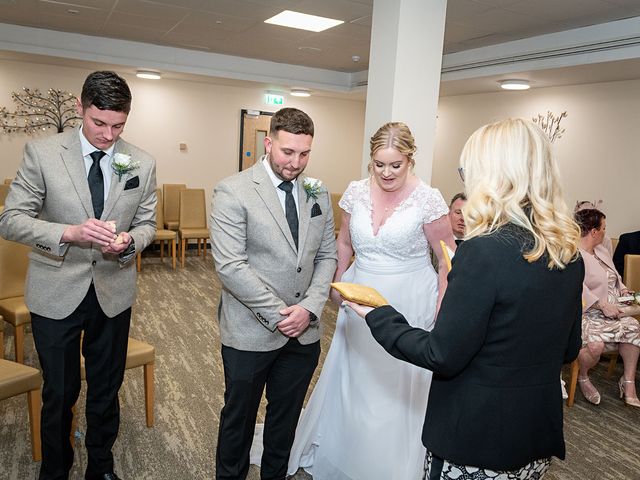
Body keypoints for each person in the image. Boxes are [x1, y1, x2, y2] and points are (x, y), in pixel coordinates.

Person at [346, 118, 585, 480]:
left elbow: (440, 355)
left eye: (467, 171)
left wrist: (380, 314)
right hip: (534, 432)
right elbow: (569, 349)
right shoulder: (567, 251)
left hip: (476, 436)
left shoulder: (484, 251)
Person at [0, 71, 157, 480]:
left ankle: (101, 467)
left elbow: (148, 225)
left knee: (106, 391)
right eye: (99, 123)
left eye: (118, 125)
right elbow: (11, 219)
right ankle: (56, 469)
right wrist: (67, 233)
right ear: (79, 108)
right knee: (60, 393)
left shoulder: (142, 160)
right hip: (56, 290)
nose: (108, 135)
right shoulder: (42, 153)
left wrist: (129, 242)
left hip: (113, 290)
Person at [287, 122, 454, 480]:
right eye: (379, 164)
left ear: (410, 160)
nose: (387, 172)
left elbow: (446, 259)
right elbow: (344, 242)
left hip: (409, 298)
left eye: (396, 164)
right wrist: (338, 280)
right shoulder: (356, 192)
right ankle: (346, 449)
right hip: (359, 295)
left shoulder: (429, 199)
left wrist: (443, 306)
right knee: (356, 376)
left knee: (394, 380)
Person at [210, 107, 337, 480]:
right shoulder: (232, 190)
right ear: (269, 143)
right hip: (250, 330)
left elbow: (326, 255)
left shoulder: (318, 192)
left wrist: (310, 310)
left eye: (304, 154)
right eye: (287, 152)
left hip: (304, 333)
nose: (296, 162)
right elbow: (231, 266)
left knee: (285, 420)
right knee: (239, 419)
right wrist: (284, 314)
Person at [574, 208, 640, 408]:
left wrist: (625, 292)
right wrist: (602, 305)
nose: (605, 232)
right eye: (603, 228)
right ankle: (583, 377)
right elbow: (577, 286)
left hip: (614, 310)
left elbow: (615, 278)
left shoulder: (603, 250)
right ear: (593, 231)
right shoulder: (573, 254)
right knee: (595, 345)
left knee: (634, 329)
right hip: (587, 312)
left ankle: (628, 382)